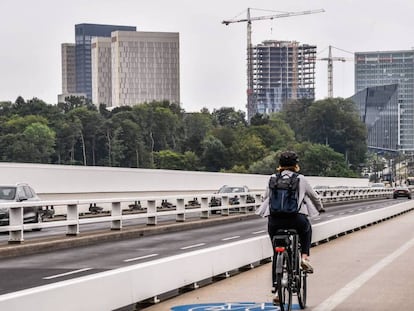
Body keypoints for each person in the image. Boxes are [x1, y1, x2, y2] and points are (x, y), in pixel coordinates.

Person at [256, 151, 324, 298]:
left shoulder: (272, 178)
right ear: (296, 165)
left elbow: (265, 197)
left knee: (276, 252)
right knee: (306, 229)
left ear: (279, 165)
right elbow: (314, 196)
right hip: (296, 218)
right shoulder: (301, 179)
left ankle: (277, 289)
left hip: (275, 221)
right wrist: (320, 208)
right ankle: (304, 258)